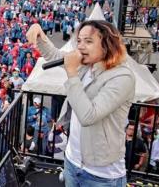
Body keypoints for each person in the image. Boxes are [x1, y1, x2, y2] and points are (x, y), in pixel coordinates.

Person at [27, 20, 134, 186]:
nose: (81, 46)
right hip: (72, 162)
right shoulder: (86, 64)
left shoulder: (122, 77)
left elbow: (88, 116)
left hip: (101, 175)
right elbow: (56, 55)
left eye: (89, 41)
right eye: (79, 41)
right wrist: (39, 35)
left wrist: (71, 72)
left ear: (107, 45)